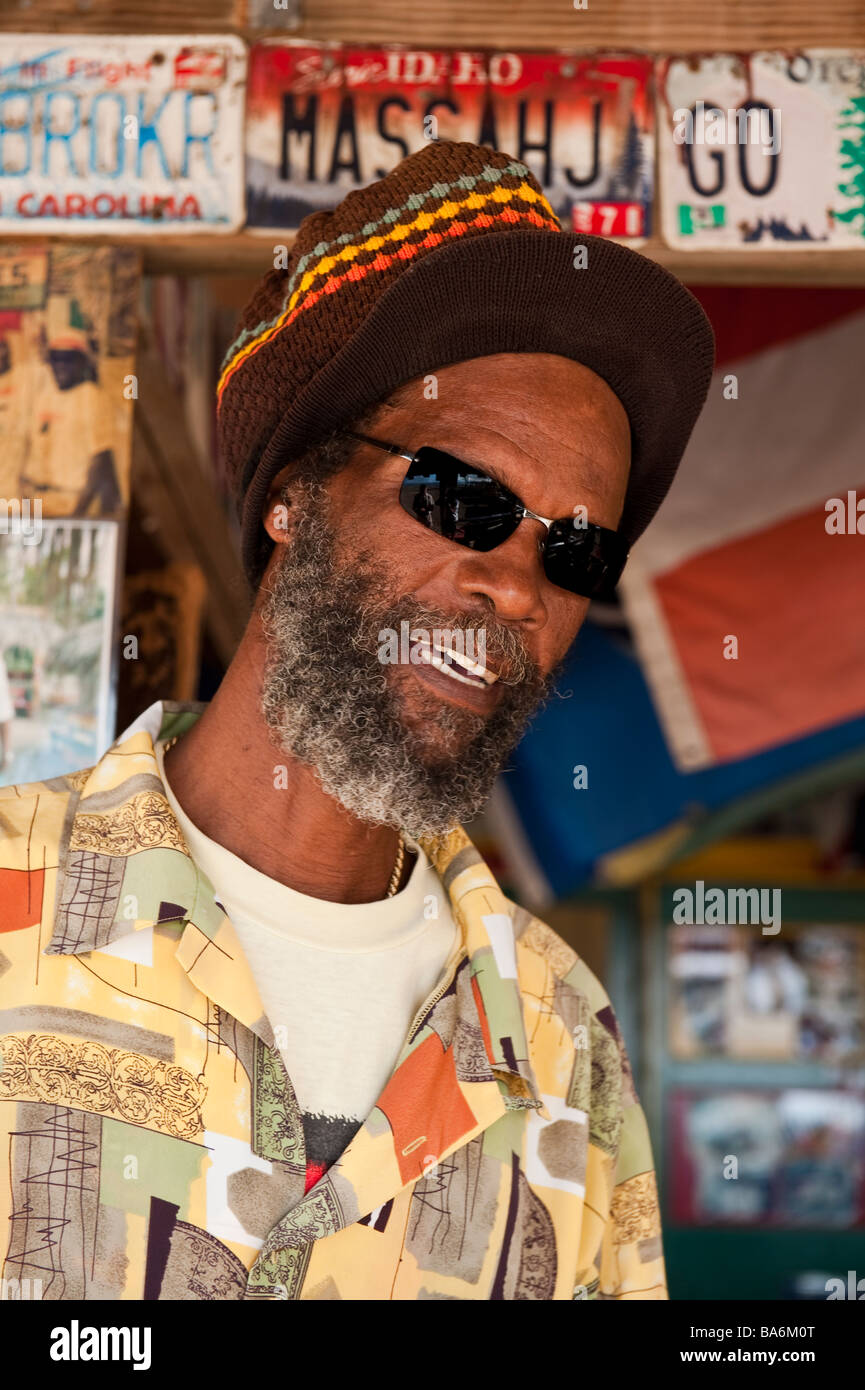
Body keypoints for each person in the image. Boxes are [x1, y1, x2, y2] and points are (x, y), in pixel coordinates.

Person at [0, 142, 714, 1301]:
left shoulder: (560, 1037)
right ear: (294, 494)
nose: (520, 588)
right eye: (464, 498)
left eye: (575, 550)